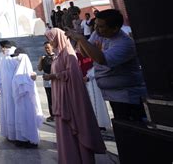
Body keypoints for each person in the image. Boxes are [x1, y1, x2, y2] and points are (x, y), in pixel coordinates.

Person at [65, 9, 147, 121]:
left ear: (115, 28)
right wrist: (82, 42)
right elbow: (85, 53)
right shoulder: (99, 34)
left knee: (133, 126)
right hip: (113, 93)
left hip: (127, 95)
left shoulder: (124, 43)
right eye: (96, 25)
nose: (96, 29)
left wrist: (81, 39)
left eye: (101, 26)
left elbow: (100, 59)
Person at [44, 28, 106, 164]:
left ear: (57, 38)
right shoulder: (58, 55)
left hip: (69, 97)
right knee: (63, 131)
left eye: (50, 38)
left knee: (73, 129)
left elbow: (73, 74)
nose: (49, 41)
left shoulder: (68, 52)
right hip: (60, 97)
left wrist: (54, 76)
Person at [0, 43, 42, 148]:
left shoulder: (27, 72)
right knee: (20, 119)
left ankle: (28, 139)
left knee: (27, 119)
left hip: (26, 103)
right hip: (19, 103)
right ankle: (21, 139)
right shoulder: (17, 68)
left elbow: (29, 82)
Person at [37, 41, 54, 122]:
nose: (47, 49)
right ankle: (52, 115)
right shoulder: (44, 58)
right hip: (47, 81)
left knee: (57, 97)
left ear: (52, 47)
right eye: (45, 48)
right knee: (49, 98)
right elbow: (39, 69)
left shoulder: (56, 56)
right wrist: (40, 60)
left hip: (55, 79)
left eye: (48, 47)